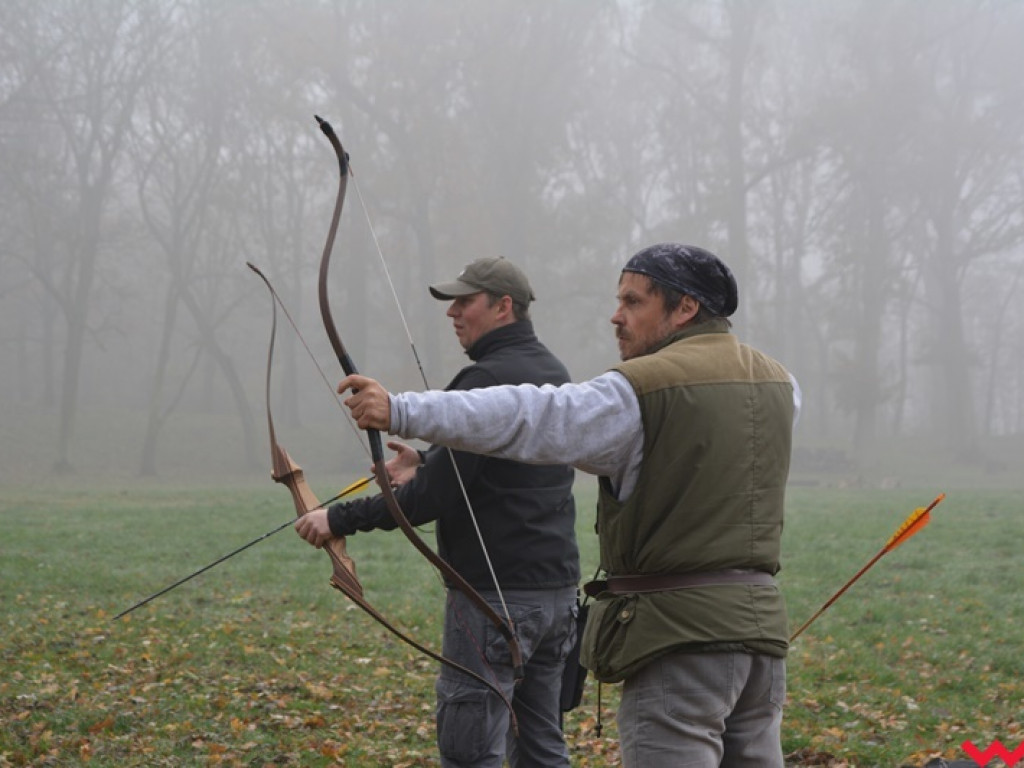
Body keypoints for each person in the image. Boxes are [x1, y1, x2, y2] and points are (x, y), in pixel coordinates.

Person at [337, 243, 801, 768]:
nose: (616, 316)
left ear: (686, 307)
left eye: (633, 301)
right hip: (760, 640)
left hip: (679, 644)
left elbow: (531, 416)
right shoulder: (781, 384)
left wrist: (399, 409)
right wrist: (430, 462)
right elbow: (674, 463)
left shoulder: (642, 390)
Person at [295, 257, 581, 768]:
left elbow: (432, 500)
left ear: (503, 307)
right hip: (556, 597)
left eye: (465, 301)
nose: (452, 312)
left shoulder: (485, 379)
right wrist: (426, 460)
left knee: (470, 752)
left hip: (495, 601)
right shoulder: (552, 371)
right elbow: (501, 470)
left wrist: (335, 519)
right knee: (542, 749)